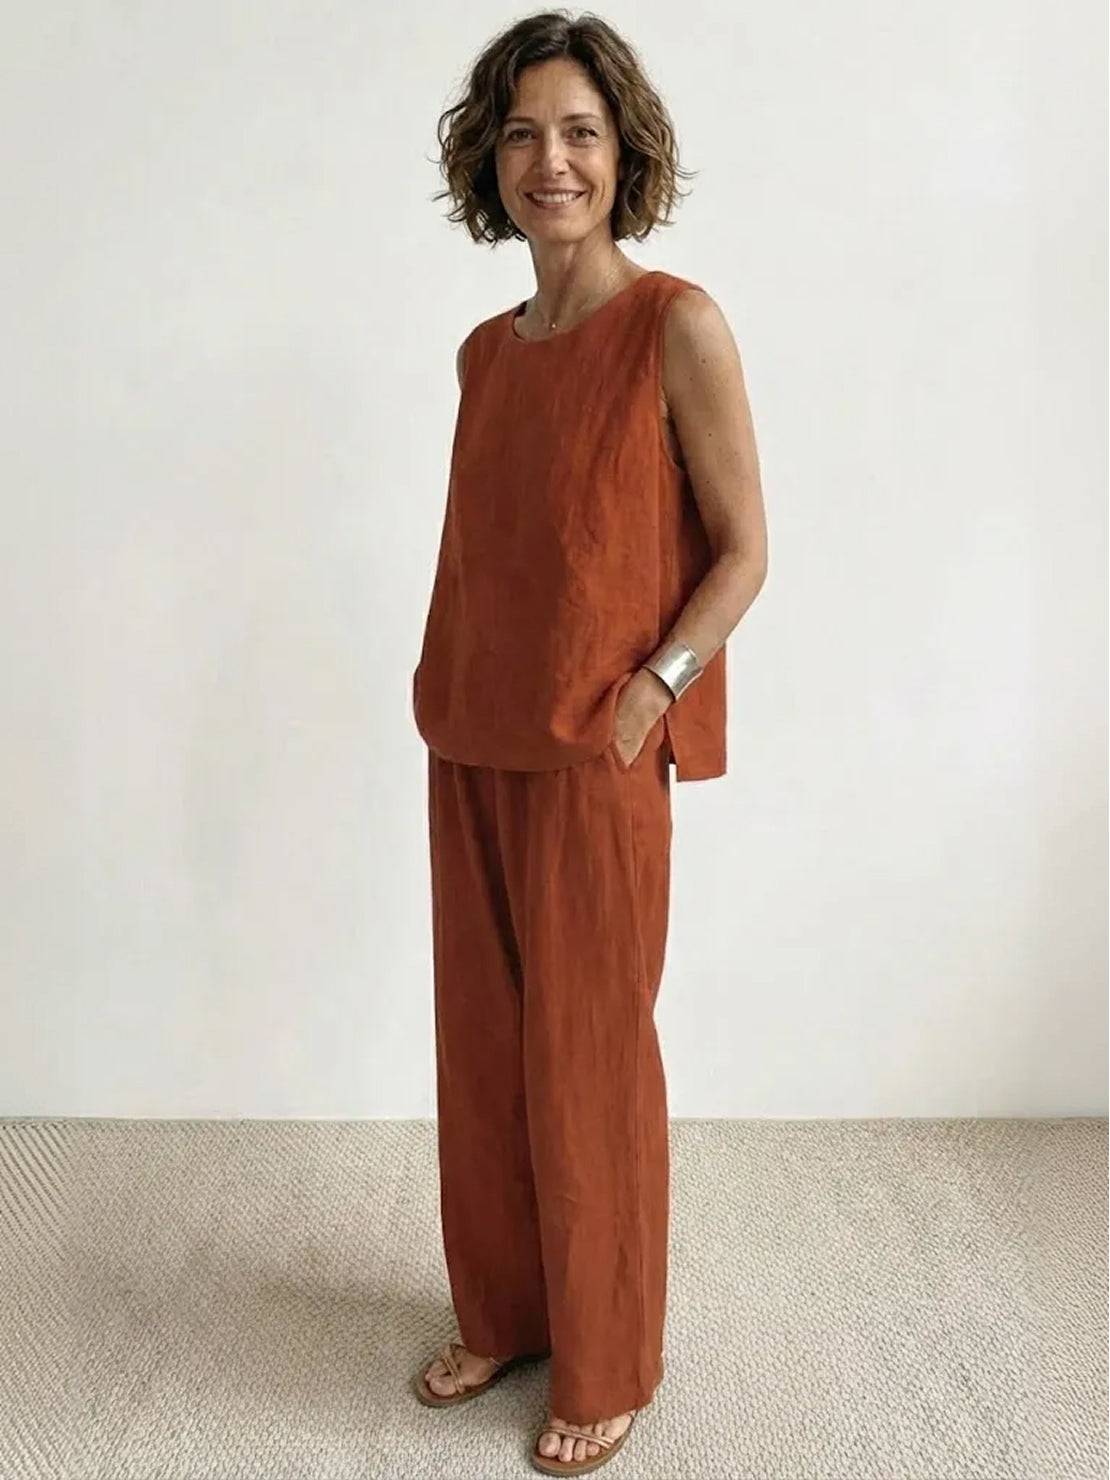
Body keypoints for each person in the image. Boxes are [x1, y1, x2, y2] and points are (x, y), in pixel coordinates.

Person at [410, 11, 766, 1474]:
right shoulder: (483, 355)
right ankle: (506, 1311)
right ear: (487, 163)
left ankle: (608, 1356)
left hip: (595, 759)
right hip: (468, 737)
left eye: (578, 132)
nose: (548, 161)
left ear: (625, 154)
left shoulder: (676, 324)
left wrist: (652, 691)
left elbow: (743, 552)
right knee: (485, 1052)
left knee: (589, 1060)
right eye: (520, 134)